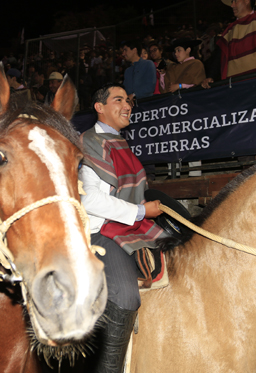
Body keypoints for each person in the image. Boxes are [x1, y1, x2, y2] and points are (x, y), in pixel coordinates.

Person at [79, 83, 166, 373]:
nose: (127, 105)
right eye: (119, 100)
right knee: (126, 295)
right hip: (99, 232)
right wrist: (141, 211)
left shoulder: (120, 142)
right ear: (99, 107)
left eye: (128, 100)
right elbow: (89, 199)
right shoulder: (88, 142)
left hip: (127, 227)